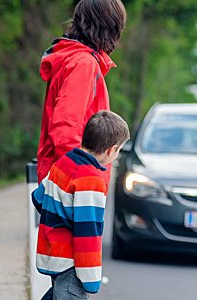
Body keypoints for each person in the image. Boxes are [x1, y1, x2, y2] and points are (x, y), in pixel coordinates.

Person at [32, 111, 130, 299]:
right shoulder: (91, 180)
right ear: (111, 150)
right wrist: (91, 278)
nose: (116, 156)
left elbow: (38, 197)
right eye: (118, 151)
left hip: (54, 255)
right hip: (72, 263)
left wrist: (59, 219)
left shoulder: (64, 163)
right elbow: (88, 232)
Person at [37, 0, 126, 184]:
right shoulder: (82, 63)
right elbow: (66, 130)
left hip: (68, 179)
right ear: (109, 27)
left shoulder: (75, 59)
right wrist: (83, 181)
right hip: (73, 184)